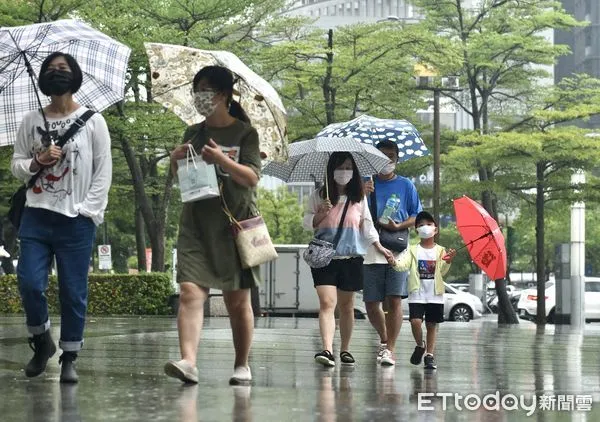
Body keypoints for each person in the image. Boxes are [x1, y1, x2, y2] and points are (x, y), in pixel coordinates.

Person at [11, 52, 112, 383]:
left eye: (63, 69)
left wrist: (88, 212)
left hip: (76, 220)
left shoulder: (93, 120)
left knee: (73, 290)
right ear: (42, 78)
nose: (57, 74)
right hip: (37, 215)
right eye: (51, 70)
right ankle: (42, 341)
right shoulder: (30, 121)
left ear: (75, 76)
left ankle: (70, 355)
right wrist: (38, 161)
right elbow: (17, 165)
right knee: (28, 283)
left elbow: (102, 171)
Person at [165, 66, 260, 385]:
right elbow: (180, 178)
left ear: (223, 95)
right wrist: (175, 160)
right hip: (195, 224)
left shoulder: (245, 134)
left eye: (205, 90)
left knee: (237, 301)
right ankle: (189, 362)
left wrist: (223, 160)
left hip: (234, 226)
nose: (199, 97)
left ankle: (242, 364)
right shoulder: (192, 133)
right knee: (190, 292)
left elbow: (251, 178)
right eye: (196, 90)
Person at [304, 152, 393, 368]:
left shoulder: (358, 198)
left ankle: (345, 349)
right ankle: (327, 349)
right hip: (325, 258)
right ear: (331, 170)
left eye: (347, 167)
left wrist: (380, 247)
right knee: (327, 303)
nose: (343, 172)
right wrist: (321, 214)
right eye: (339, 167)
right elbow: (307, 223)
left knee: (347, 306)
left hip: (351, 258)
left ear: (354, 172)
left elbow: (367, 225)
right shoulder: (319, 196)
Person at [363, 140, 422, 366]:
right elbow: (355, 212)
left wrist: (398, 226)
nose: (388, 160)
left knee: (395, 299)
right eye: (382, 155)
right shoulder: (366, 183)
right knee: (371, 301)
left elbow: (417, 215)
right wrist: (361, 192)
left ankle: (390, 349)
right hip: (370, 247)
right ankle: (384, 339)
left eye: (392, 156)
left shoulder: (406, 185)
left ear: (397, 159)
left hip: (397, 246)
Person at [388, 211, 456, 370]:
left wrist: (449, 261)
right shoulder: (412, 249)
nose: (425, 227)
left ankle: (430, 355)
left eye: (429, 224)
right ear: (416, 230)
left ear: (436, 229)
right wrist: (393, 262)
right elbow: (403, 264)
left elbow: (443, 271)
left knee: (432, 325)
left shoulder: (440, 251)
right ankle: (420, 344)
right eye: (420, 225)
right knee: (415, 321)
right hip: (417, 294)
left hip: (435, 294)